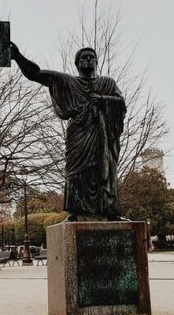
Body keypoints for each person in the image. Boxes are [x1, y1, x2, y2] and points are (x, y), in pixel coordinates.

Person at [10, 43, 126, 221]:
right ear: (77, 63)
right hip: (78, 133)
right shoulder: (67, 81)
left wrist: (102, 100)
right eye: (83, 58)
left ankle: (110, 211)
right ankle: (75, 211)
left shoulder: (107, 83)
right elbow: (37, 74)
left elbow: (120, 104)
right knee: (76, 171)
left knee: (105, 169)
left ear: (96, 62)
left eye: (91, 57)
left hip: (102, 133)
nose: (88, 60)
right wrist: (17, 56)